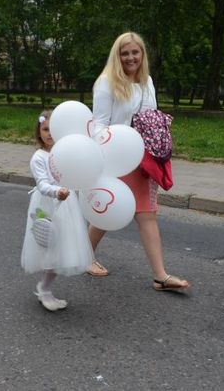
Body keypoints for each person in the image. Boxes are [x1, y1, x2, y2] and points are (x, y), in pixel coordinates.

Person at [87, 31, 190, 291]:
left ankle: (160, 276)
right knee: (107, 211)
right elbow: (99, 123)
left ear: (142, 54)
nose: (130, 57)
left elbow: (150, 116)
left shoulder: (147, 82)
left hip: (144, 159)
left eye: (135, 52)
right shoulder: (106, 82)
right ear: (117, 56)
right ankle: (84, 256)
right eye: (125, 53)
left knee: (147, 215)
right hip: (116, 157)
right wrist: (104, 151)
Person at [21, 110, 93, 311]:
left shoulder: (64, 152)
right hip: (48, 205)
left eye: (53, 129)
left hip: (66, 205)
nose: (49, 133)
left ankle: (46, 286)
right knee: (50, 249)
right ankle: (44, 289)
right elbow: (43, 184)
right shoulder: (39, 157)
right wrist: (57, 191)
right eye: (45, 129)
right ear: (39, 131)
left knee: (62, 249)